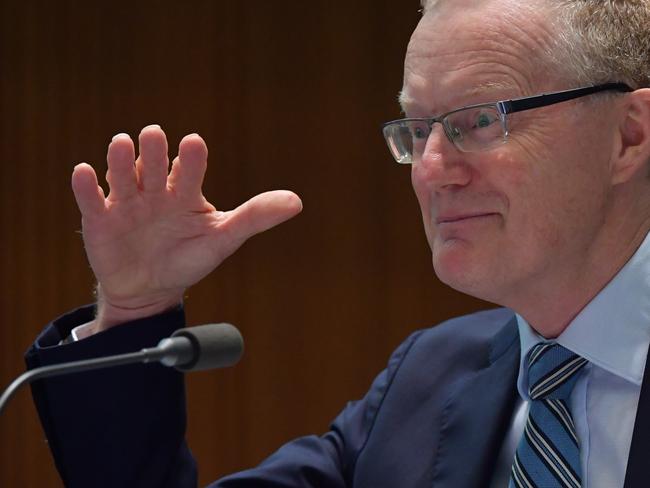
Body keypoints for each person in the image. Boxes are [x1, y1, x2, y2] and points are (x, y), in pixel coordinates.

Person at [26, 0, 650, 486]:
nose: (431, 169)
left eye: (480, 121)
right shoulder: (429, 379)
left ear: (628, 136)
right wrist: (134, 308)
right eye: (417, 128)